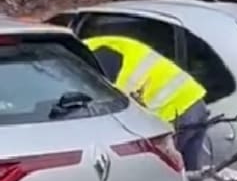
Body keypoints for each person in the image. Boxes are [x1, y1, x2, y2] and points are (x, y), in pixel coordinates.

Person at [84, 34, 211, 173]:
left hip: (175, 112)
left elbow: (108, 105)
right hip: (193, 100)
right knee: (191, 174)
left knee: (166, 176)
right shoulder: (102, 46)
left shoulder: (92, 56)